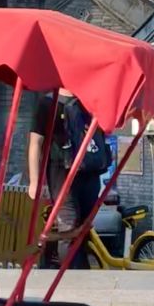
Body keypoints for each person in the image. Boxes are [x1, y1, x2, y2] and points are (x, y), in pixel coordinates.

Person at [27, 91, 111, 269]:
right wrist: (34, 181)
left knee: (84, 227)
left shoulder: (91, 100)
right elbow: (35, 143)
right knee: (69, 226)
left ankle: (79, 272)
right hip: (61, 172)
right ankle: (73, 277)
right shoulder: (48, 103)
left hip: (89, 170)